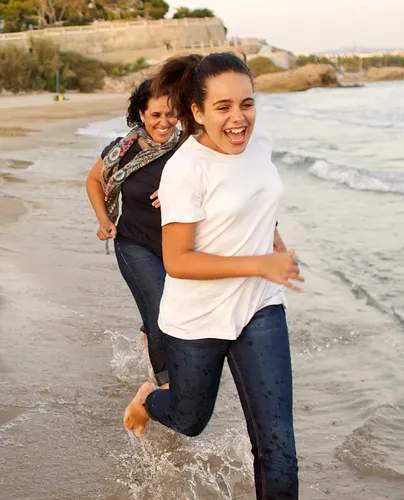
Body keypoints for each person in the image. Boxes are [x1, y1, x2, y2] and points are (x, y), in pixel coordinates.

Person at [123, 53, 303, 499]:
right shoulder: (186, 168)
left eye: (247, 103)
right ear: (198, 112)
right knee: (190, 420)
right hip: (198, 317)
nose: (239, 118)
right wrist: (260, 262)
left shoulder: (260, 146)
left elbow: (257, 195)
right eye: (223, 107)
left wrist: (272, 239)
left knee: (278, 449)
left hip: (260, 306)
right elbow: (179, 260)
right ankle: (148, 399)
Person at [86, 79, 180, 386]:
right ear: (141, 114)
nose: (164, 122)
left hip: (179, 248)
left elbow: (216, 186)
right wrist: (103, 220)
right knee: (161, 316)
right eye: (155, 115)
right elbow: (94, 181)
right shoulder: (121, 149)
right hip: (134, 243)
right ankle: (166, 388)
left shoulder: (189, 149)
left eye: (170, 113)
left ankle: (147, 334)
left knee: (175, 311)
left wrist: (178, 191)